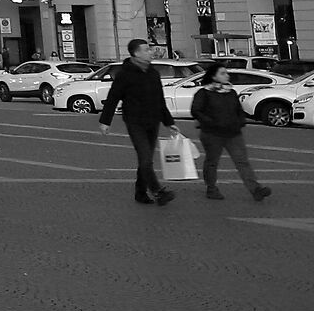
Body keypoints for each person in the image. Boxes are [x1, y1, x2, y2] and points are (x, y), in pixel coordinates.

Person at [98, 38, 177, 205]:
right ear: (136, 53)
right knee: (145, 157)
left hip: (153, 119)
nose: (151, 52)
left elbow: (159, 100)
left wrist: (169, 122)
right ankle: (157, 191)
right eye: (147, 49)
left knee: (146, 159)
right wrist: (106, 121)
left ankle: (140, 192)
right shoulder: (125, 74)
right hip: (135, 121)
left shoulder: (153, 73)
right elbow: (113, 97)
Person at [189, 64, 270, 202]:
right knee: (212, 161)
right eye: (222, 73)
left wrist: (240, 121)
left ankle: (256, 189)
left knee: (242, 161)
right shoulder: (203, 93)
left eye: (226, 73)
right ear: (213, 76)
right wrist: (211, 122)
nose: (227, 75)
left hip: (233, 133)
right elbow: (196, 111)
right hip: (212, 133)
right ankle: (211, 188)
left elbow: (238, 109)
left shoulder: (230, 92)